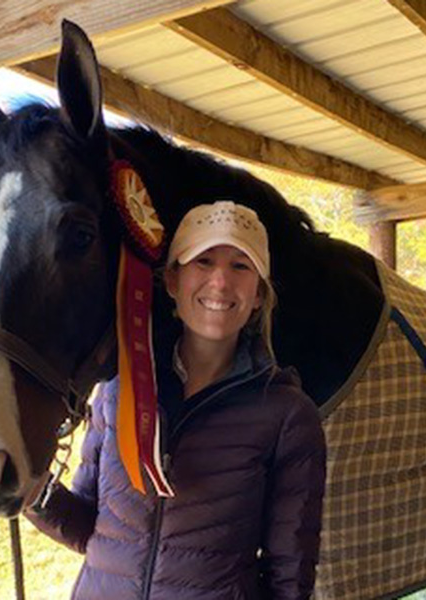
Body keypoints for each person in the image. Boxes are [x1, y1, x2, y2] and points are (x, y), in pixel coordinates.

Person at [26, 201, 326, 600]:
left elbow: (288, 577)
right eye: (203, 261)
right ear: (172, 281)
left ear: (258, 294)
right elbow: (89, 528)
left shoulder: (288, 415)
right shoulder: (120, 387)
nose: (220, 281)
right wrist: (33, 492)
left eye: (240, 266)